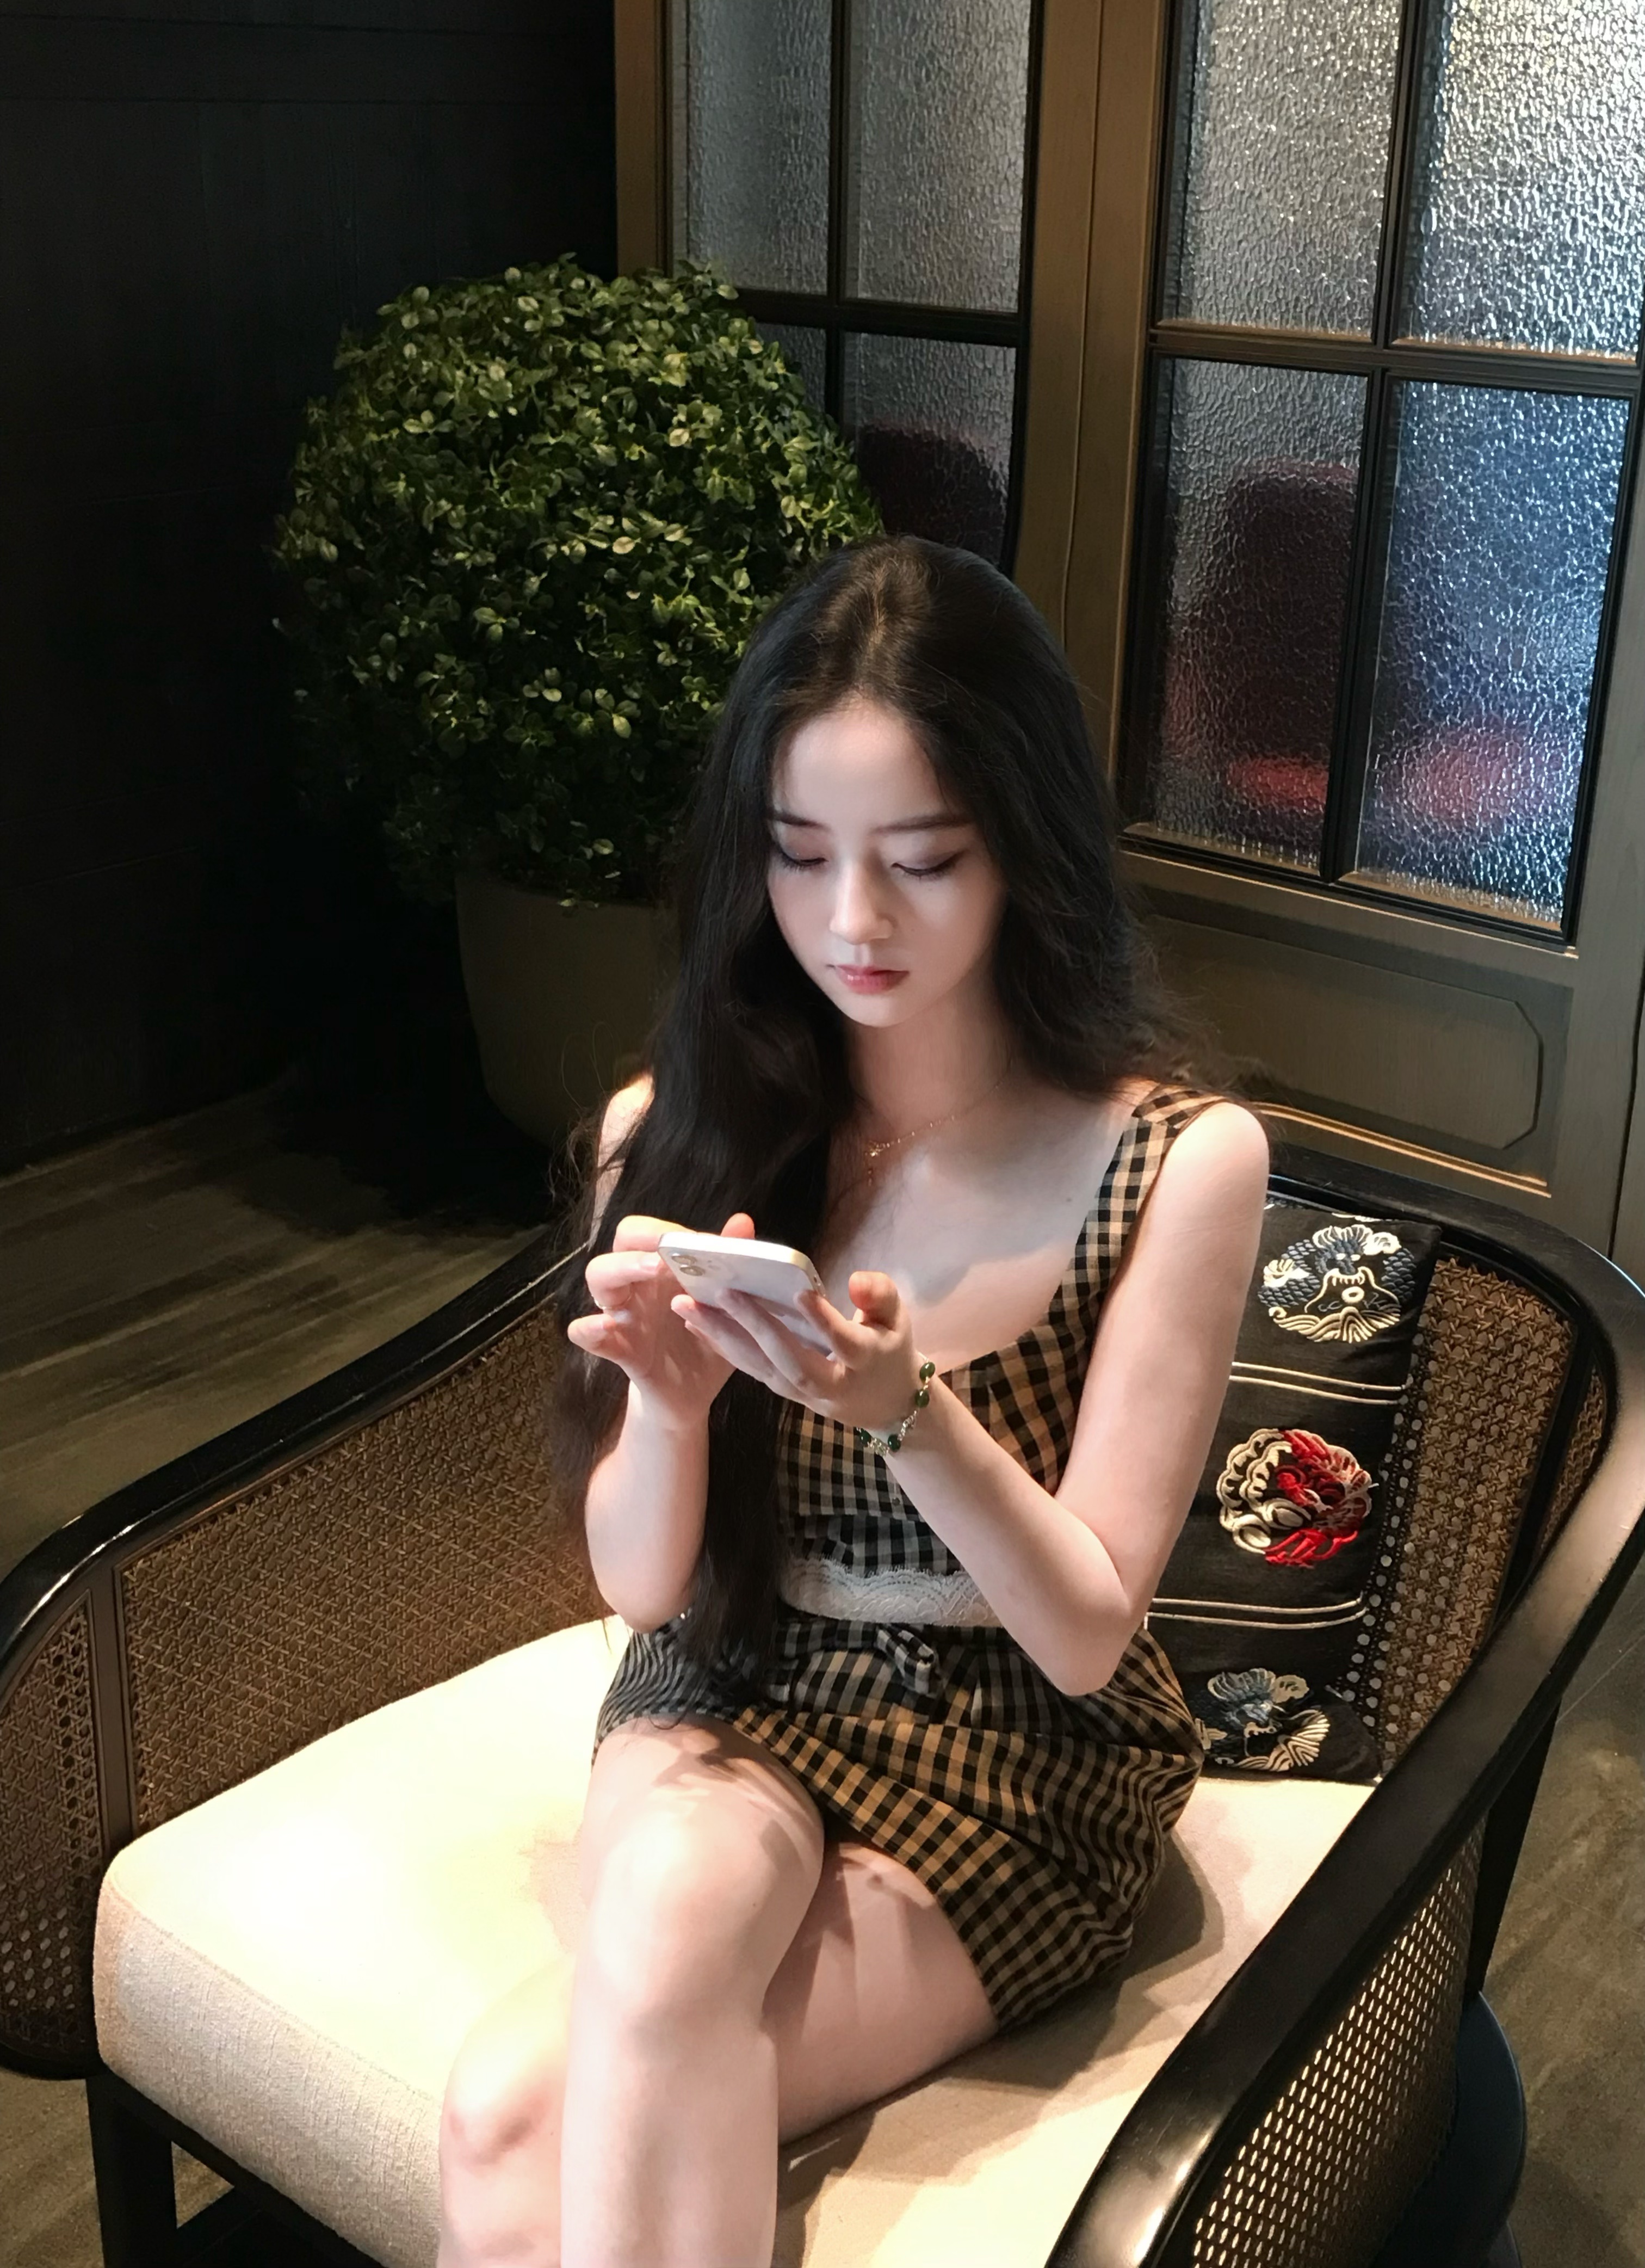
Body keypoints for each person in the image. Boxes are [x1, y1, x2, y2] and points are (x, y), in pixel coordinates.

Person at [436, 537, 1269, 2268]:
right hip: (734, 1672)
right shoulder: (676, 1128)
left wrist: (910, 1413)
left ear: (1025, 848)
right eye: (800, 854)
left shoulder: (1170, 1164)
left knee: (516, 2125)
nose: (851, 922)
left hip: (1010, 1751)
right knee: (625, 1971)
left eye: (922, 861)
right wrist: (672, 1406)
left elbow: (1087, 1634)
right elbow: (644, 1590)